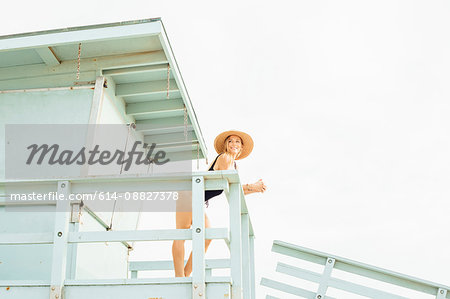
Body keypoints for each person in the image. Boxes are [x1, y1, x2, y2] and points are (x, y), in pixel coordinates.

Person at [172, 130, 267, 277]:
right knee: (181, 234)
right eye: (230, 141)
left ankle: (185, 274)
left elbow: (234, 189)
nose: (233, 144)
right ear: (226, 145)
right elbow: (230, 185)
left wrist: (255, 189)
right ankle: (179, 277)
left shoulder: (233, 165)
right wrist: (251, 186)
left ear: (241, 148)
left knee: (208, 236)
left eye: (237, 142)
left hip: (198, 201)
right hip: (187, 195)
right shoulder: (225, 158)